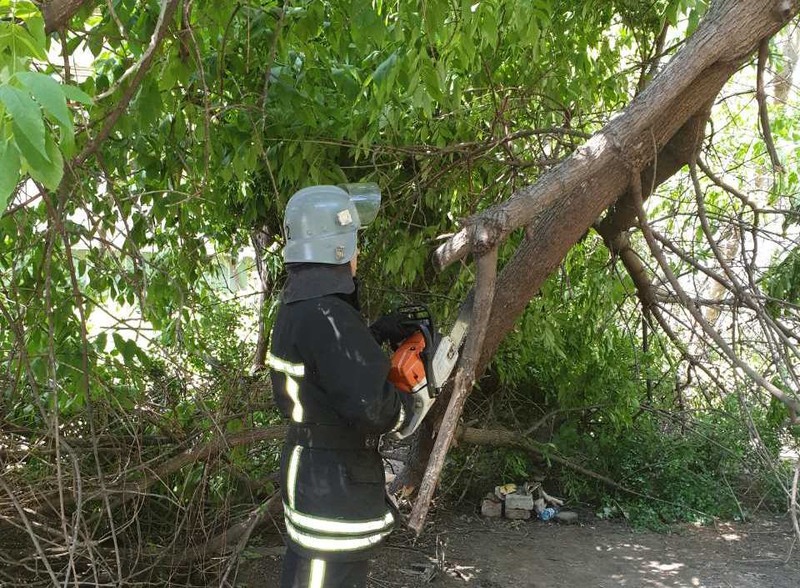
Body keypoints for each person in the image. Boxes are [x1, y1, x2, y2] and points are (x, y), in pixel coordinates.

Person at [267, 184, 427, 588]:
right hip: (331, 486)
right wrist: (410, 401)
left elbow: (327, 374)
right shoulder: (330, 318)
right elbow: (374, 407)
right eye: (354, 242)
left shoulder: (303, 308)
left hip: (313, 473)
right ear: (337, 249)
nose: (358, 254)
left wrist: (373, 335)